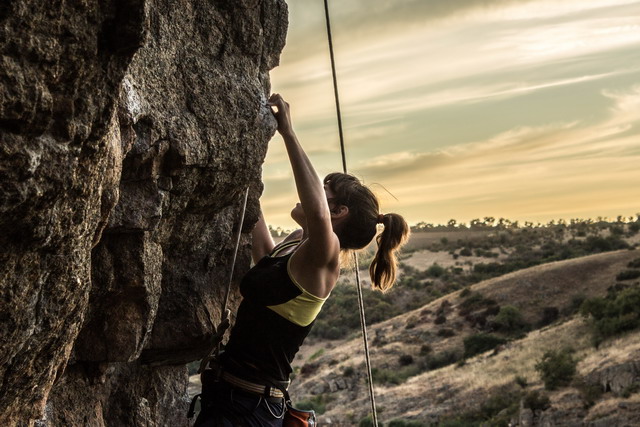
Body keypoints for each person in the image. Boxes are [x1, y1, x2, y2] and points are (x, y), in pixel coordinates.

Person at [194, 93, 409, 426]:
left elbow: (318, 214)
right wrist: (245, 179)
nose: (310, 194)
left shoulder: (326, 261)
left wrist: (289, 134)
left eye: (325, 190)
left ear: (337, 212)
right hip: (232, 399)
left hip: (251, 410)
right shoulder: (298, 244)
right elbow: (262, 250)